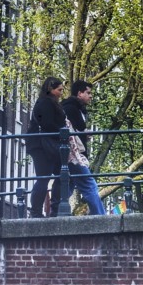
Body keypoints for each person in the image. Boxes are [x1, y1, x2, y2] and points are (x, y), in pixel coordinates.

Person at [61, 80, 105, 215]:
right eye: (88, 93)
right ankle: (102, 218)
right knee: (89, 184)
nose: (91, 96)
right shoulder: (71, 109)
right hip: (74, 156)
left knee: (66, 188)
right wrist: (84, 134)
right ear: (79, 93)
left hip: (68, 156)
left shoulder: (73, 108)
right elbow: (76, 131)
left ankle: (52, 216)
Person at [30, 77, 67, 217]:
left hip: (46, 145)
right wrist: (63, 131)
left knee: (61, 175)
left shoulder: (50, 102)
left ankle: (52, 209)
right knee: (44, 178)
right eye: (59, 90)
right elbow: (47, 124)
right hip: (42, 146)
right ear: (50, 89)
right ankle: (38, 211)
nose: (61, 93)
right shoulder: (45, 103)